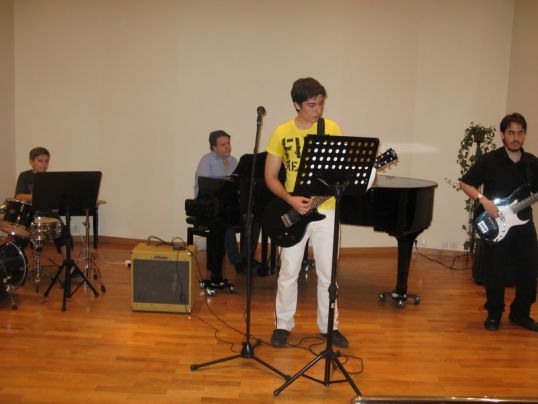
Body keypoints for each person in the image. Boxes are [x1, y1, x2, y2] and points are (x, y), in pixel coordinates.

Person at [264, 77, 349, 348]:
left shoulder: (331, 129)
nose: (318, 110)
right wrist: (290, 199)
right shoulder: (281, 132)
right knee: (288, 271)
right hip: (294, 211)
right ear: (296, 104)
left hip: (327, 210)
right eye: (312, 105)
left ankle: (329, 327)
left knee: (328, 274)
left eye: (321, 104)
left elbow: (341, 175)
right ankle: (282, 325)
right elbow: (270, 177)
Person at [459, 112, 538, 332]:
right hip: (496, 224)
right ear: (502, 134)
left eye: (520, 133)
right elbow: (464, 183)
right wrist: (483, 200)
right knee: (496, 272)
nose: (516, 138)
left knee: (530, 271)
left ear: (524, 135)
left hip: (524, 225)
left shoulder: (532, 163)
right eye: (511, 133)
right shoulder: (490, 160)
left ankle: (520, 314)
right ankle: (494, 314)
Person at [194, 130, 246, 283]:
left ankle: (246, 258)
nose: (227, 147)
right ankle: (236, 261)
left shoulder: (234, 161)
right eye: (223, 145)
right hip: (207, 206)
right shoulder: (207, 161)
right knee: (225, 222)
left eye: (228, 143)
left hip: (228, 206)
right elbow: (205, 190)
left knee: (252, 218)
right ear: (214, 147)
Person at [14, 147, 68, 253]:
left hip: (48, 213)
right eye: (40, 161)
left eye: (46, 161)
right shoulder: (24, 176)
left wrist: (56, 206)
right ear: (31, 162)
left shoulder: (51, 178)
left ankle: (68, 261)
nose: (44, 164)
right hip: (29, 213)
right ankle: (14, 257)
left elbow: (55, 201)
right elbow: (18, 196)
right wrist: (36, 196)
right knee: (20, 236)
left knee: (63, 232)